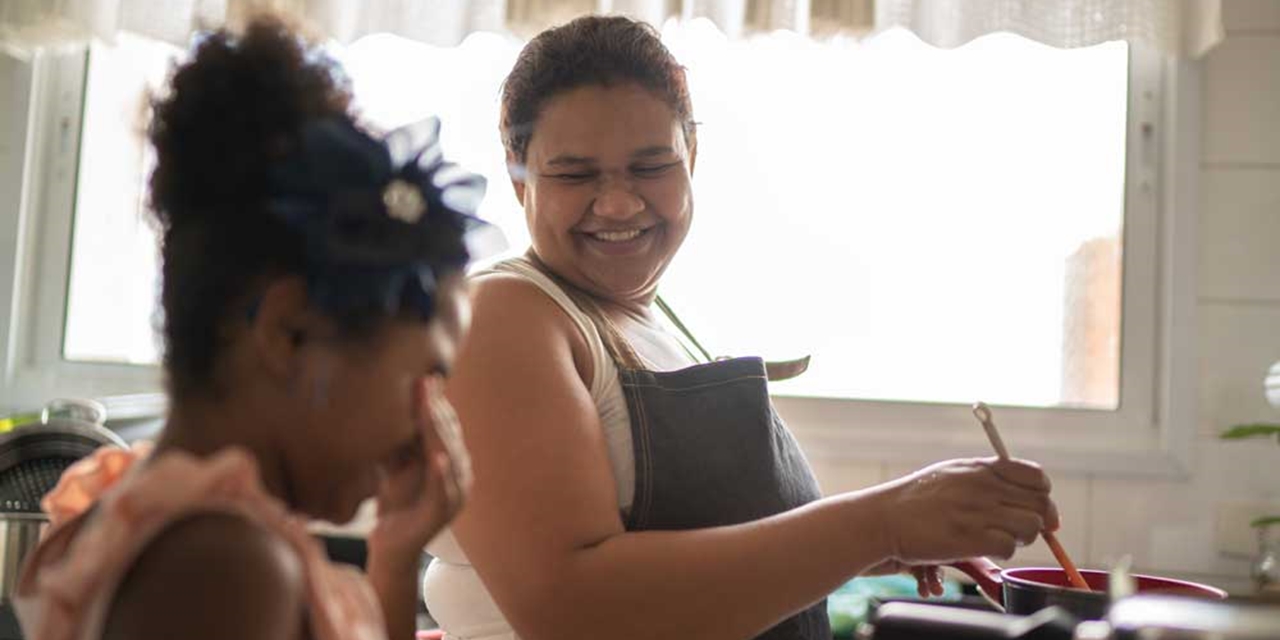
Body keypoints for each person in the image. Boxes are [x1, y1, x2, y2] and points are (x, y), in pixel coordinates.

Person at [422, 14, 1060, 640]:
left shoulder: (655, 320)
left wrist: (881, 545)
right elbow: (570, 607)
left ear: (691, 154)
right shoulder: (502, 317)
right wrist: (881, 523)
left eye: (650, 167)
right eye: (574, 173)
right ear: (517, 173)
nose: (618, 203)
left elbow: (697, 556)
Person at [15, 16, 483, 640]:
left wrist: (394, 558)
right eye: (426, 377)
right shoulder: (225, 565)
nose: (432, 422)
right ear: (288, 334)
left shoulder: (139, 509)